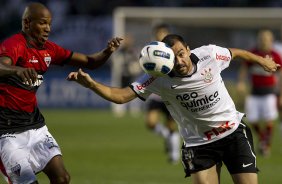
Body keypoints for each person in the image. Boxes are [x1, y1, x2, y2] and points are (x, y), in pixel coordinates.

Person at [68, 34, 280, 184]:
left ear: (188, 50)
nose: (179, 61)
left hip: (233, 133)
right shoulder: (158, 76)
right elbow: (122, 96)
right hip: (199, 144)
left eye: (181, 53)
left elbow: (237, 53)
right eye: (173, 57)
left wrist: (262, 61)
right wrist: (92, 85)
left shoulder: (210, 55)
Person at [0, 2, 122, 184]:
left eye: (49, 23)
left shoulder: (50, 49)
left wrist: (107, 51)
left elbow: (90, 61)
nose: (48, 28)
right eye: (42, 23)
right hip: (6, 133)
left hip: (36, 128)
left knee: (62, 178)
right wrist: (16, 70)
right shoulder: (14, 45)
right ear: (27, 23)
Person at [237, 29, 282, 157]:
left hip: (269, 93)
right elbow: (244, 68)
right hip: (254, 92)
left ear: (271, 40)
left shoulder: (275, 55)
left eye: (266, 39)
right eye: (261, 38)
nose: (264, 41)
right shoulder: (254, 54)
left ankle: (265, 145)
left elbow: (281, 74)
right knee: (252, 119)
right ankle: (263, 139)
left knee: (269, 120)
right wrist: (241, 82)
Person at [145, 24, 180, 163]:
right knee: (150, 122)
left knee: (171, 126)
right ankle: (167, 136)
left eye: (164, 33)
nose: (161, 35)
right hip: (156, 94)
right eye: (159, 33)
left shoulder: (174, 51)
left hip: (171, 94)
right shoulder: (151, 50)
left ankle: (174, 154)